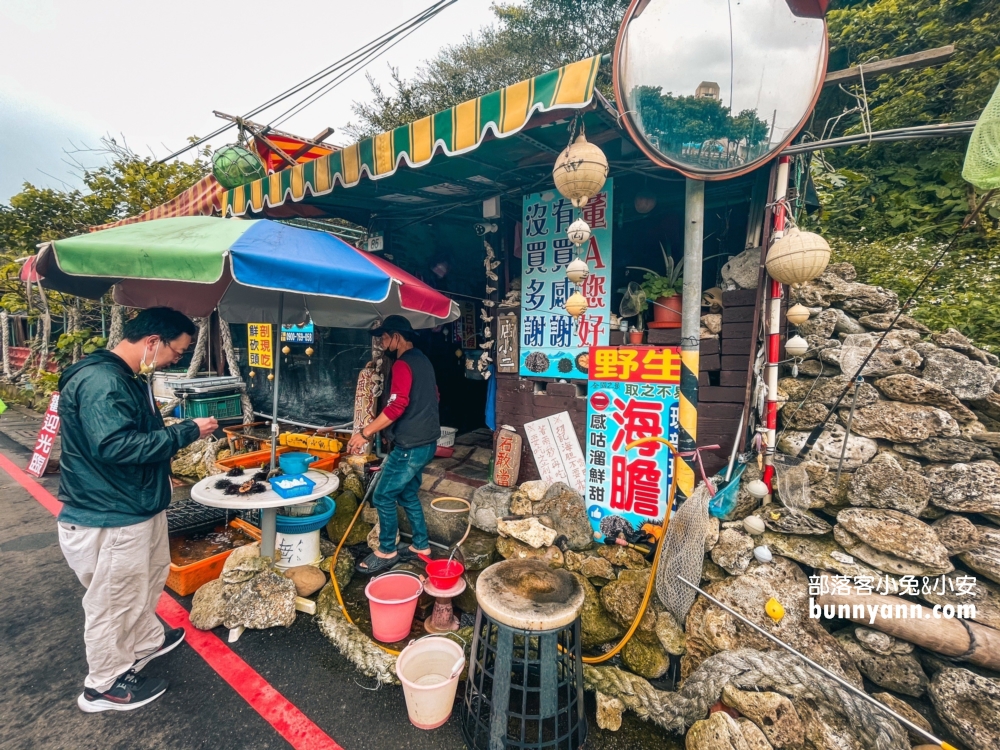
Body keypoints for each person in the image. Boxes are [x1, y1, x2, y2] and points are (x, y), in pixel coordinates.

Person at [57, 307, 218, 713]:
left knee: (145, 581)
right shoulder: (102, 380)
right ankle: (104, 685)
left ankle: (147, 639)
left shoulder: (125, 377)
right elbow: (114, 446)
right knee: (114, 602)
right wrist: (186, 432)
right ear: (152, 342)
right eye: (176, 352)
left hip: (133, 505)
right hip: (110, 513)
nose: (176, 360)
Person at [349, 315, 439, 574]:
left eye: (385, 337)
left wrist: (365, 433)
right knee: (408, 493)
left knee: (383, 495)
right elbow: (434, 396)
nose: (382, 343)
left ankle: (386, 549)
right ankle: (421, 546)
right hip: (427, 443)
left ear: (397, 337)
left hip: (410, 447)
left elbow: (397, 405)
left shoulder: (403, 365)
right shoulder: (423, 361)